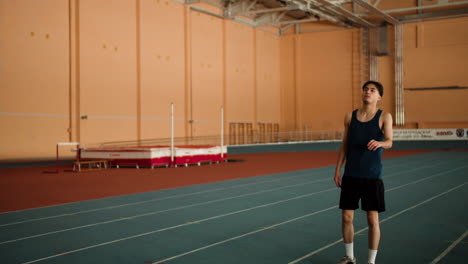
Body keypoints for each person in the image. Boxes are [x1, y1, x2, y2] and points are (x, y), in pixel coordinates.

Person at [334, 80, 393, 264]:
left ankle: (371, 261)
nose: (367, 92)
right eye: (365, 89)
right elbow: (344, 145)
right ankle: (349, 256)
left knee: (372, 220)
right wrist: (338, 169)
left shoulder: (385, 116)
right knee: (346, 216)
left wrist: (380, 143)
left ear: (379, 96)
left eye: (372, 90)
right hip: (351, 175)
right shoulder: (350, 117)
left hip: (372, 176)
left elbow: (390, 141)